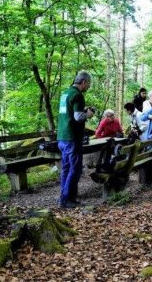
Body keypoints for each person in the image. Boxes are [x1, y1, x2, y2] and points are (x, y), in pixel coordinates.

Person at [57, 71, 94, 208]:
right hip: (72, 137)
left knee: (66, 168)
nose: (88, 87)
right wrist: (88, 114)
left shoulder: (65, 93)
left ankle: (67, 197)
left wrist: (83, 110)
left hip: (61, 137)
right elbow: (78, 117)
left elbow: (69, 112)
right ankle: (65, 200)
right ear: (83, 82)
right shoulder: (78, 95)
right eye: (88, 84)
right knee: (75, 169)